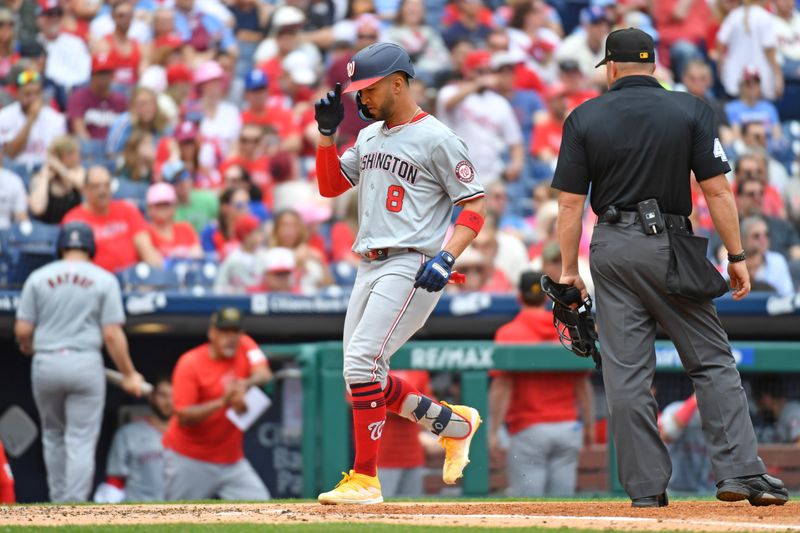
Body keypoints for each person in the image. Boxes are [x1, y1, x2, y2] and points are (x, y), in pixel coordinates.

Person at [551, 28, 789, 507]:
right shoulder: (692, 108)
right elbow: (719, 191)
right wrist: (737, 255)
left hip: (613, 249)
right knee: (712, 361)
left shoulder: (584, 116)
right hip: (671, 244)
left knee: (626, 375)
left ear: (611, 68)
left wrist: (568, 270)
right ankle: (740, 471)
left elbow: (570, 206)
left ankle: (645, 492)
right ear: (654, 65)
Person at [313, 42, 485, 504]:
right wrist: (327, 137)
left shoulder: (438, 137)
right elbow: (331, 187)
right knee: (361, 374)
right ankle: (454, 424)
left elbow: (474, 205)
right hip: (369, 263)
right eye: (357, 92)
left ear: (397, 83)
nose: (360, 99)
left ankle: (366, 479)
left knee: (360, 363)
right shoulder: (368, 138)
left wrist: (447, 257)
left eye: (367, 90)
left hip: (412, 261)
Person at [14, 222, 145, 502]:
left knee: (53, 435)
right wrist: (130, 373)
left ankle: (58, 501)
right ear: (90, 248)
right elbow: (111, 333)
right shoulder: (104, 279)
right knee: (80, 438)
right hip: (85, 361)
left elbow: (23, 330)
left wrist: (28, 346)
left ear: (61, 246)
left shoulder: (38, 277)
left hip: (46, 361)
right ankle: (73, 508)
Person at [489, 271, 594, 496]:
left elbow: (502, 388)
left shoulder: (508, 333)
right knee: (564, 508)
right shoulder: (566, 330)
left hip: (529, 430)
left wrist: (494, 431)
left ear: (519, 297)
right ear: (547, 298)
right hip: (568, 427)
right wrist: (589, 425)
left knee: (529, 508)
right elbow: (582, 386)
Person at [162, 307, 272, 500]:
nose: (230, 337)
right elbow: (184, 416)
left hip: (232, 461)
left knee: (264, 510)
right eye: (224, 331)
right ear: (212, 333)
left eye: (235, 331)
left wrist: (244, 384)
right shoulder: (190, 363)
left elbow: (264, 374)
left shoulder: (245, 345)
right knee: (177, 518)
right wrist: (223, 402)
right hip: (190, 458)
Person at [436, 49, 525, 184]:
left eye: (489, 72)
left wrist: (516, 163)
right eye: (480, 71)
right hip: (456, 174)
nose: (486, 76)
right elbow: (448, 104)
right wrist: (478, 84)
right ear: (468, 71)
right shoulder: (449, 91)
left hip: (491, 175)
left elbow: (515, 141)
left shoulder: (499, 102)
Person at [63, 166, 164, 272]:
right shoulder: (74, 219)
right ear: (85, 189)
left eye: (106, 185)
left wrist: (157, 275)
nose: (102, 191)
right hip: (94, 283)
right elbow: (74, 264)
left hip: (130, 282)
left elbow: (146, 248)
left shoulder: (127, 210)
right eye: (96, 186)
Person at [94, 377, 173, 502]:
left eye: (174, 396)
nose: (169, 402)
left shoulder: (195, 435)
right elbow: (115, 481)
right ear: (151, 397)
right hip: (141, 512)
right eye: (163, 395)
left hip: (183, 513)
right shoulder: (128, 434)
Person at [0, 69, 67, 167]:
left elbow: (60, 156)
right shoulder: (4, 117)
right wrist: (31, 119)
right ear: (17, 93)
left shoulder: (56, 119)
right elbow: (10, 154)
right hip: (14, 169)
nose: (33, 98)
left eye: (37, 93)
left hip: (44, 170)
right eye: (28, 94)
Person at [66, 52, 127, 141]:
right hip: (86, 151)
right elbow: (79, 129)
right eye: (100, 73)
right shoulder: (80, 97)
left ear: (112, 75)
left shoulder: (120, 100)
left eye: (107, 73)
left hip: (113, 150)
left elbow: (124, 130)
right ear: (92, 75)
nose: (104, 77)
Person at [28, 135, 84, 224]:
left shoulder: (78, 172)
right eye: (74, 153)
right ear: (64, 156)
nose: (78, 157)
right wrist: (44, 177)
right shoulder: (41, 177)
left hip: (72, 230)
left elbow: (83, 186)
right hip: (47, 233)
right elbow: (38, 208)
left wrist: (58, 167)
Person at [145, 182, 202, 260]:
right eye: (158, 204)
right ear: (149, 208)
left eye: (166, 204)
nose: (162, 208)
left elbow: (198, 253)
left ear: (174, 206)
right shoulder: (145, 233)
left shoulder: (185, 228)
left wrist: (185, 253)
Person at [214, 214, 267, 294]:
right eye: (255, 232)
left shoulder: (263, 255)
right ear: (245, 235)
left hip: (259, 299)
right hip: (238, 300)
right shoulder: (233, 258)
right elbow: (220, 284)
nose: (259, 236)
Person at [751, 375, 800, 444]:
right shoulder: (782, 414)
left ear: (766, 398)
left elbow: (799, 443)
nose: (759, 406)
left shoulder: (792, 412)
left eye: (758, 399)